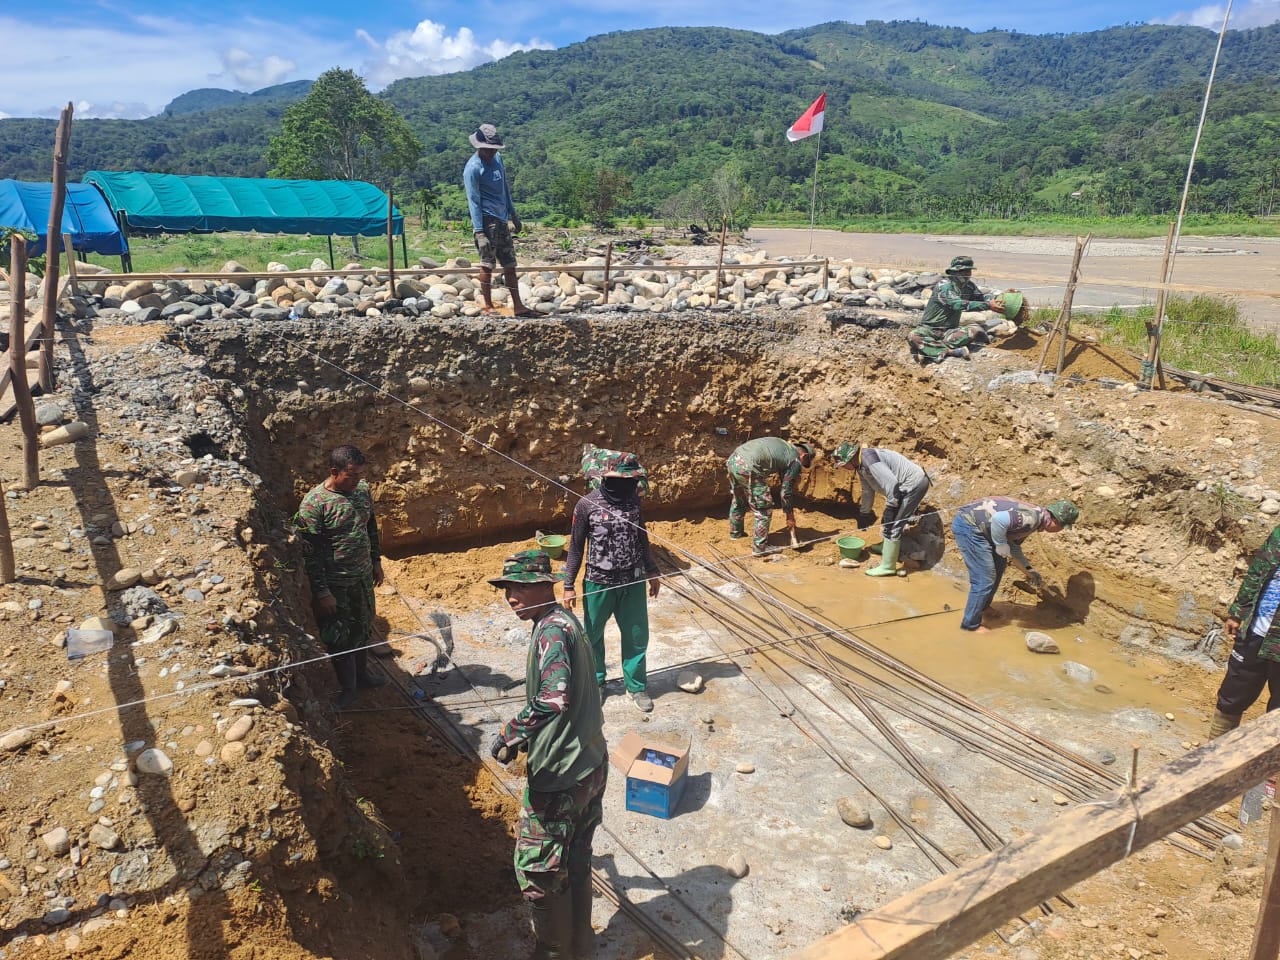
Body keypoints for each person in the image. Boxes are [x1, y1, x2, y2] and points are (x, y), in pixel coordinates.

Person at [488, 549, 606, 960]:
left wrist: (511, 733)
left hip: (561, 775)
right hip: (591, 763)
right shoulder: (566, 622)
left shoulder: (551, 632)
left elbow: (554, 696)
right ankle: (581, 947)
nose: (511, 597)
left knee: (537, 870)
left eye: (520, 587)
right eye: (507, 589)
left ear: (545, 585)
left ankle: (553, 950)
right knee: (576, 858)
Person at [562, 453, 661, 713]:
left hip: (633, 581)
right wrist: (568, 584)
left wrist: (652, 570)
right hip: (598, 582)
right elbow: (575, 547)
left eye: (632, 480)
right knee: (592, 635)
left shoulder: (634, 502)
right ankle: (596, 682)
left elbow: (642, 539)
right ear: (606, 478)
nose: (628, 486)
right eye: (622, 480)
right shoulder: (587, 505)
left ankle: (636, 687)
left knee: (637, 635)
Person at [293, 444, 387, 709]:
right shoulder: (314, 505)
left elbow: (370, 527)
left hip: (361, 578)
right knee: (339, 637)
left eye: (360, 475)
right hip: (335, 586)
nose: (357, 481)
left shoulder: (362, 491)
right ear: (334, 472)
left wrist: (376, 561)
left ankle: (363, 676)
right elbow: (311, 554)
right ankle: (348, 688)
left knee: (363, 626)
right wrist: (322, 592)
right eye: (351, 476)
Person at [949, 496, 1079, 633]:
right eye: (1062, 527)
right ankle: (970, 625)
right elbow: (999, 520)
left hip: (986, 529)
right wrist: (1000, 544)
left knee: (999, 566)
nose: (1061, 530)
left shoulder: (1036, 519)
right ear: (1055, 521)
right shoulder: (1032, 519)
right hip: (970, 526)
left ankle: (983, 607)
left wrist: (1029, 571)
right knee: (984, 578)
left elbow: (1014, 548)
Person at [1208, 522, 1280, 738]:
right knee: (1231, 696)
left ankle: (1269, 765)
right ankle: (1213, 756)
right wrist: (1238, 610)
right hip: (1255, 630)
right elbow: (1258, 570)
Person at [463, 123, 534, 318]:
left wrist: (513, 213)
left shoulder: (498, 159)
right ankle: (488, 306)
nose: (491, 153)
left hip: (502, 218)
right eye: (487, 150)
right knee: (487, 263)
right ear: (479, 147)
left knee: (510, 264)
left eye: (493, 150)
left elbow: (504, 187)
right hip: (486, 220)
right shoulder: (473, 168)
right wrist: (479, 231)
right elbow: (474, 201)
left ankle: (518, 306)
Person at [830, 441, 931, 577]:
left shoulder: (869, 460)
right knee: (889, 520)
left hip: (913, 485)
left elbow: (892, 485)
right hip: (901, 489)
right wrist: (864, 513)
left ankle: (888, 567)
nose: (842, 468)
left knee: (894, 524)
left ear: (849, 459)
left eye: (842, 465)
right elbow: (867, 490)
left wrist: (891, 508)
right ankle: (885, 547)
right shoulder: (860, 465)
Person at [726, 437, 815, 557]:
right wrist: (789, 516)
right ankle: (760, 548)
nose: (802, 468)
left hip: (733, 460)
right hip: (749, 467)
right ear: (804, 456)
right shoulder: (795, 460)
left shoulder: (784, 447)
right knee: (764, 508)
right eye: (805, 464)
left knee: (739, 498)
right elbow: (786, 492)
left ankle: (736, 534)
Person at [908, 255, 1002, 364]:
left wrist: (998, 299)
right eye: (963, 271)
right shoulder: (944, 286)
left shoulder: (969, 286)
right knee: (913, 336)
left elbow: (981, 298)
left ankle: (929, 350)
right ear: (954, 272)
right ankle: (950, 351)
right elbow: (957, 304)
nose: (967, 275)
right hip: (929, 330)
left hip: (950, 331)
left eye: (969, 271)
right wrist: (988, 306)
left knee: (975, 330)